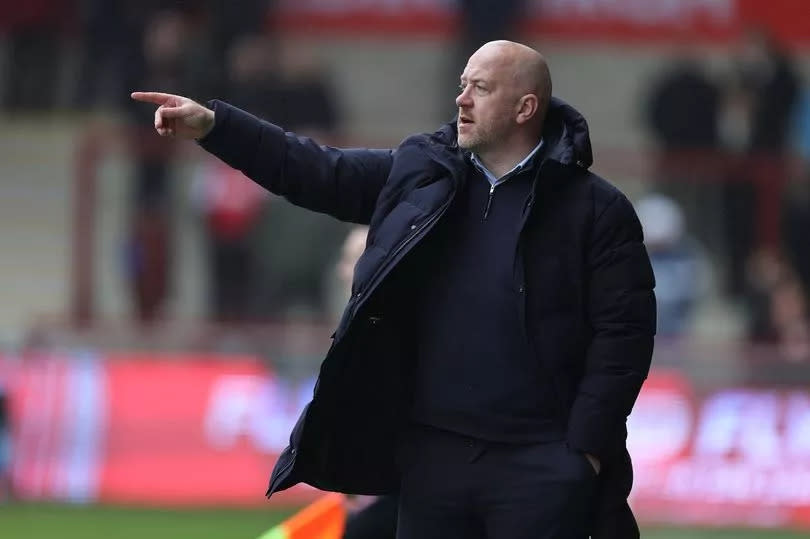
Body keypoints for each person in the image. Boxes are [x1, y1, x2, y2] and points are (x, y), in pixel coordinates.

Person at [132, 40, 656, 539]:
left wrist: (580, 452)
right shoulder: (423, 174)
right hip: (434, 462)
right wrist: (216, 127)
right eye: (462, 84)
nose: (461, 99)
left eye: (480, 88)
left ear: (525, 108)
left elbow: (624, 338)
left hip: (538, 464)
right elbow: (316, 170)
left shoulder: (597, 211)